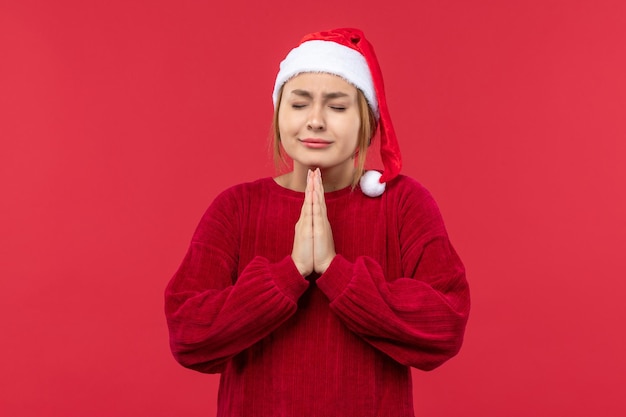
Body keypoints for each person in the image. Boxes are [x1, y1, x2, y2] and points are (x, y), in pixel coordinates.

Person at [165, 28, 470, 417]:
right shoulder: (236, 208)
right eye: (299, 104)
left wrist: (334, 271)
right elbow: (188, 335)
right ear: (278, 115)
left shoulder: (403, 204)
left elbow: (445, 324)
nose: (315, 121)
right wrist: (289, 274)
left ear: (368, 122)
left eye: (338, 107)